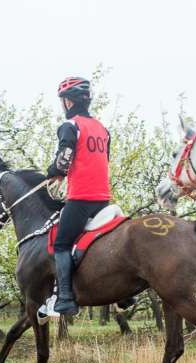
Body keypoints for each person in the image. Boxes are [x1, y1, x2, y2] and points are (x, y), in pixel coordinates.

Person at [47, 77, 111, 316]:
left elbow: (64, 156)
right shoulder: (103, 129)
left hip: (81, 197)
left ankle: (64, 298)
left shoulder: (70, 126)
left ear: (67, 102)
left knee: (62, 244)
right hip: (103, 198)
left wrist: (55, 173)